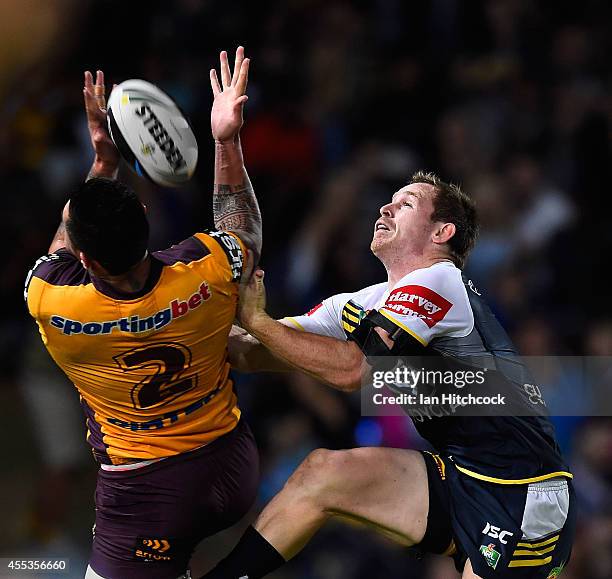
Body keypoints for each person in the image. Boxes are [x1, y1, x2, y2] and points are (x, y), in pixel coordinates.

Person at [203, 174, 575, 579]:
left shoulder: (441, 280)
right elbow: (260, 351)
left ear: (441, 232)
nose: (385, 208)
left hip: (524, 493)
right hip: (461, 475)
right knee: (323, 474)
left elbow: (352, 370)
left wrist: (257, 320)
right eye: (390, 201)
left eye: (407, 203)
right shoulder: (366, 302)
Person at [24, 47, 261, 579]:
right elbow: (242, 232)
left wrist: (105, 162)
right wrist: (226, 140)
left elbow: (65, 239)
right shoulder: (204, 271)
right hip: (233, 464)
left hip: (148, 495)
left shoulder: (51, 300)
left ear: (84, 259)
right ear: (147, 222)